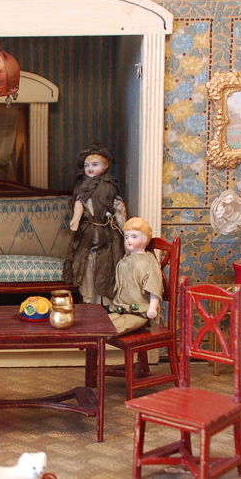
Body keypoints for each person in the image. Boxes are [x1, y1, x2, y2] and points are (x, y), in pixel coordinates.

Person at [62, 143, 125, 305]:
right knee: (87, 264)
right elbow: (79, 203)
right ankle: (89, 301)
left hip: (106, 232)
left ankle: (105, 302)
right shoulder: (83, 186)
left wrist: (123, 226)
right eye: (86, 165)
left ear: (105, 166)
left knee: (106, 264)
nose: (90, 169)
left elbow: (115, 206)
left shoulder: (109, 186)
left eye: (94, 165)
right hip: (89, 231)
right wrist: (76, 219)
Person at [107, 217, 164, 335]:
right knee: (101, 324)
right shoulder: (126, 259)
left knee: (115, 328)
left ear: (145, 238)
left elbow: (155, 287)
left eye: (134, 237)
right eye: (126, 237)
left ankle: (101, 343)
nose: (129, 241)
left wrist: (152, 307)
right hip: (121, 309)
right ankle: (96, 343)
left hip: (139, 312)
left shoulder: (149, 263)